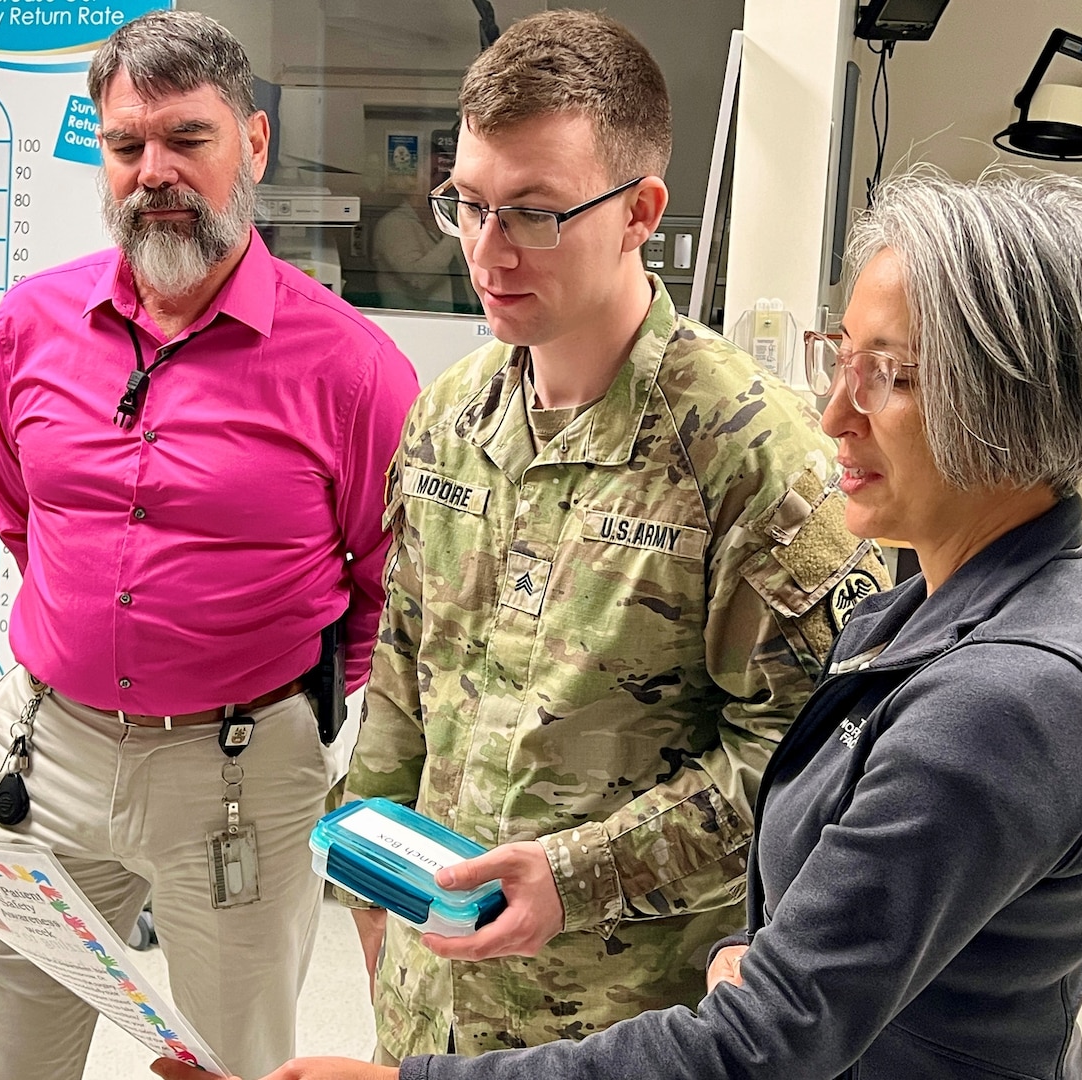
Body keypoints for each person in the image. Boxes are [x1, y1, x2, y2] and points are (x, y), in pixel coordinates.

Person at [153, 168, 1082, 1080]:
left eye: (896, 376)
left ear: (1019, 405)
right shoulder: (928, 611)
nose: (835, 415)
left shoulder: (1006, 698)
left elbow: (767, 1043)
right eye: (845, 358)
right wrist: (764, 942)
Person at [335, 9, 885, 1065]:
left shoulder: (754, 456)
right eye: (470, 205)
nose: (489, 252)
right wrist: (366, 881)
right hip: (433, 993)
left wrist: (580, 875)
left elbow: (808, 765)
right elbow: (408, 672)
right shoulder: (450, 418)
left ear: (640, 212)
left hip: (626, 1023)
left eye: (536, 214)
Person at [0, 10, 418, 1080]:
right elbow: (22, 514)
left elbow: (386, 586)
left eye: (187, 139)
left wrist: (267, 702)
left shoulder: (350, 367)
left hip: (240, 772)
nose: (153, 172)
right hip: (44, 755)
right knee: (1, 1055)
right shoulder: (29, 327)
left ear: (252, 144)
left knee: (235, 1065)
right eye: (127, 146)